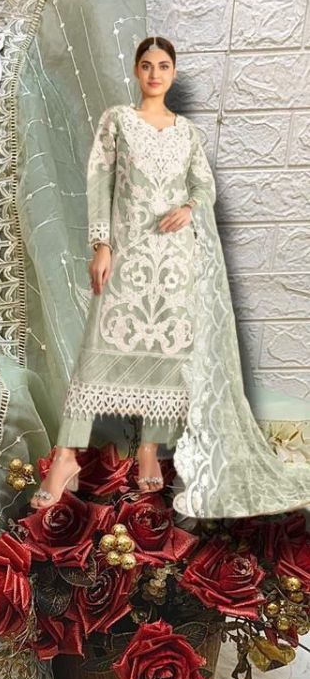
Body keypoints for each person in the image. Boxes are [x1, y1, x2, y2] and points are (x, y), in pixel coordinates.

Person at [32, 35, 215, 508]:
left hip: (175, 261)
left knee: (166, 354)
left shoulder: (188, 133)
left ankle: (149, 450)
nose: (155, 74)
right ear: (136, 71)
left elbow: (204, 186)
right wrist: (102, 245)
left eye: (164, 66)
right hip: (128, 253)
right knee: (95, 355)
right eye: (147, 65)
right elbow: (100, 183)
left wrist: (190, 208)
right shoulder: (118, 121)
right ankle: (67, 455)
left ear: (174, 73)